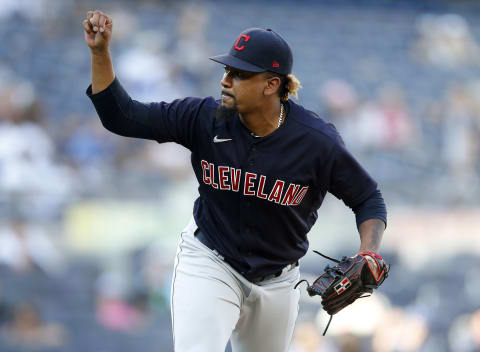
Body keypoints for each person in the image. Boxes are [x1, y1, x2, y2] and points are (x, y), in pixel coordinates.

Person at [83, 10, 387, 352]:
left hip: (278, 280)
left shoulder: (316, 142)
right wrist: (100, 53)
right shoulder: (203, 117)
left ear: (272, 84)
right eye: (227, 70)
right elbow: (122, 117)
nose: (225, 80)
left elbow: (367, 198)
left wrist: (369, 252)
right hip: (211, 261)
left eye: (239, 74)